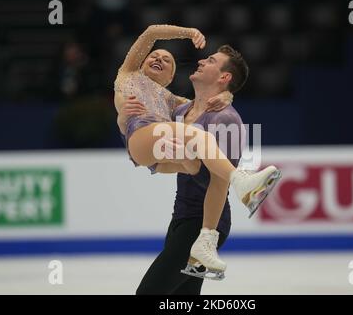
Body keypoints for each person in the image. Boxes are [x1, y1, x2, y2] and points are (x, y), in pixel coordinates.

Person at [114, 24, 281, 279]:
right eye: (154, 56)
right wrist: (189, 32)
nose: (159, 57)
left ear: (170, 78)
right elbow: (150, 34)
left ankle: (235, 189)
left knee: (191, 162)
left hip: (159, 156)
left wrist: (228, 97)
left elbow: (202, 105)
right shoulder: (128, 75)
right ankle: (241, 180)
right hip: (142, 136)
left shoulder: (173, 104)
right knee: (197, 137)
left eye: (168, 60)